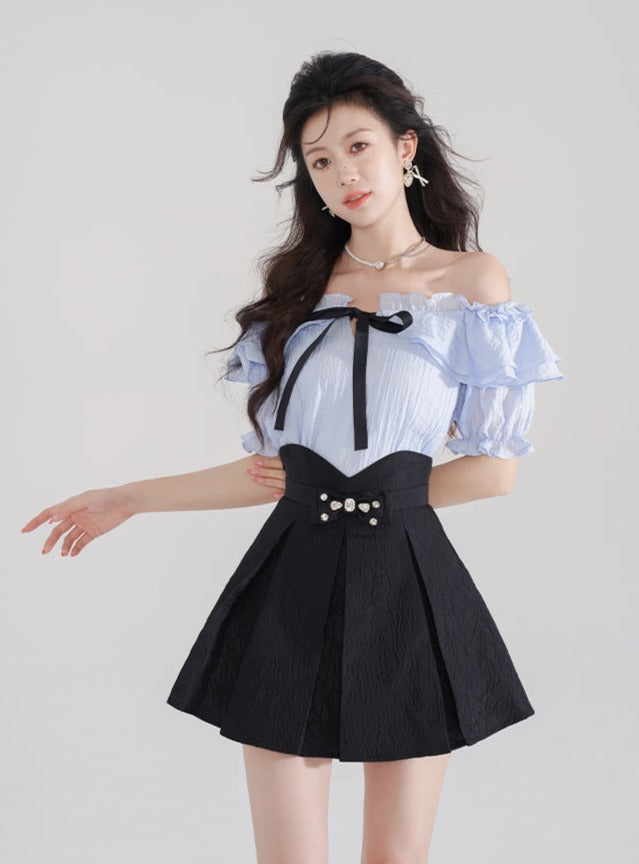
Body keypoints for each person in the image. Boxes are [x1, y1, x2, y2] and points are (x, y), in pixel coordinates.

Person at [22, 51, 564, 864]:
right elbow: (273, 476)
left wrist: (374, 499)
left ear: (404, 148)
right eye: (319, 160)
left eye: (358, 146)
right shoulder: (296, 292)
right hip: (291, 577)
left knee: (394, 857)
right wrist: (126, 497)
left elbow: (493, 470)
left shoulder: (471, 284)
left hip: (406, 579)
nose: (343, 173)